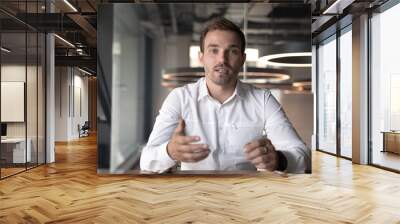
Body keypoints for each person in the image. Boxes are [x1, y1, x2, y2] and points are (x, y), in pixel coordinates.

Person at [140, 18, 311, 173]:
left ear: (243, 59)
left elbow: (302, 155)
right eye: (214, 50)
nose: (222, 59)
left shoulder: (263, 99)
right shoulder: (179, 98)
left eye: (232, 51)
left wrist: (279, 160)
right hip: (193, 198)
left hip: (247, 199)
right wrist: (170, 151)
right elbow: (146, 161)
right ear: (201, 57)